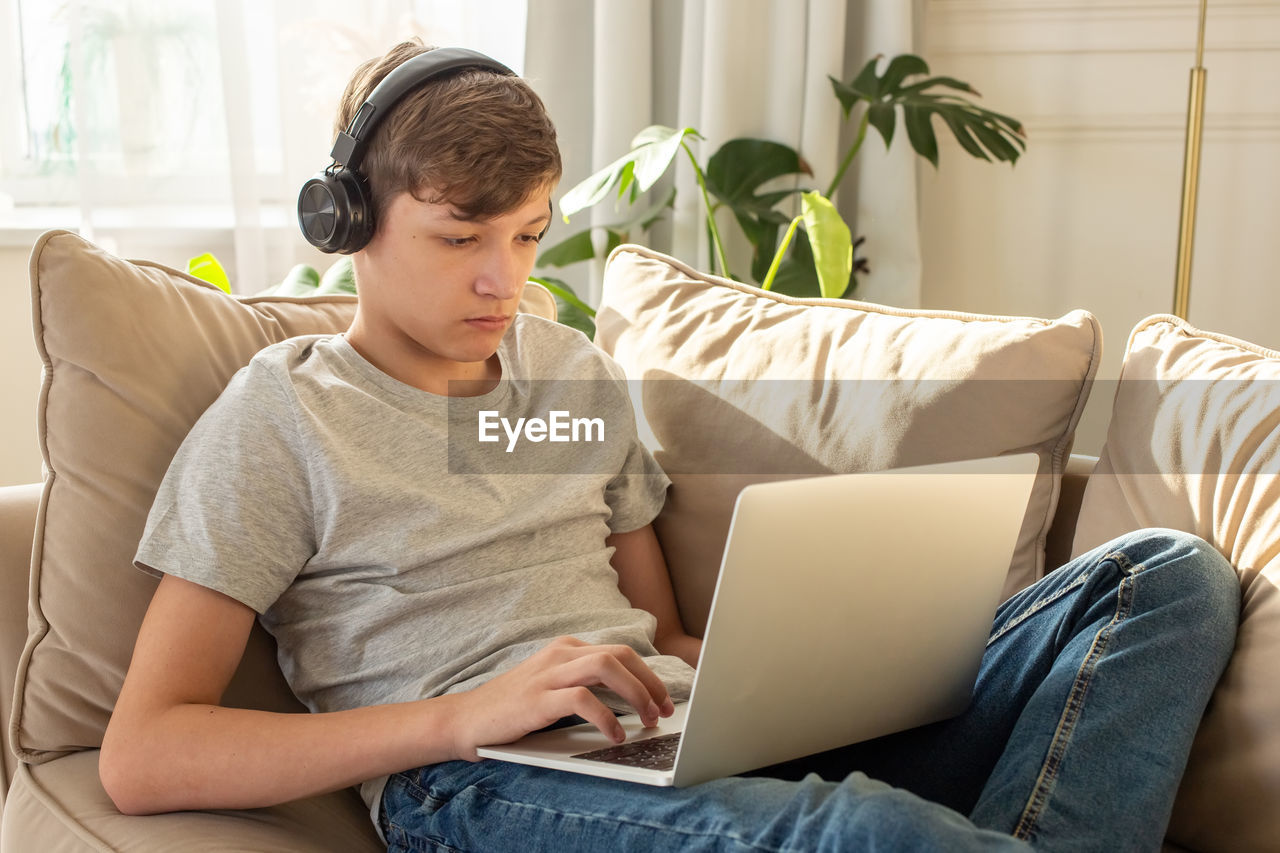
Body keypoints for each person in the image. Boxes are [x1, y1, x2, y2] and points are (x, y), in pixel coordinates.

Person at [100, 40, 1240, 852]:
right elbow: (144, 754)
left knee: (1163, 574)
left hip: (669, 735)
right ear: (345, 222)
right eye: (459, 239)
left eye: (529, 234)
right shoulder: (284, 414)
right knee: (862, 837)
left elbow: (664, 631)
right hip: (473, 783)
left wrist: (808, 672)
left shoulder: (571, 370)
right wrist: (463, 714)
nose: (506, 280)